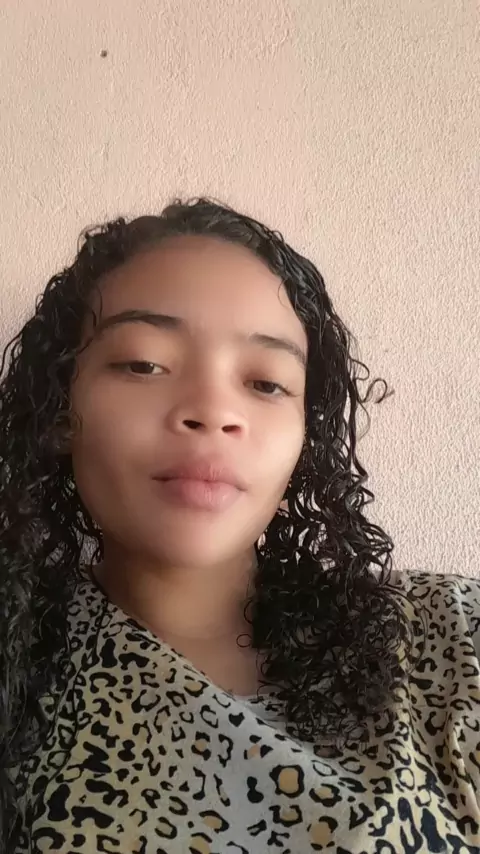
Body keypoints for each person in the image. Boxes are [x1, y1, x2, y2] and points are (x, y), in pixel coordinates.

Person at [0, 198, 478, 854]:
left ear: (305, 438)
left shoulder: (451, 635)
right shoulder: (18, 671)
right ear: (59, 410)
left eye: (266, 383)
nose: (214, 410)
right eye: (143, 363)